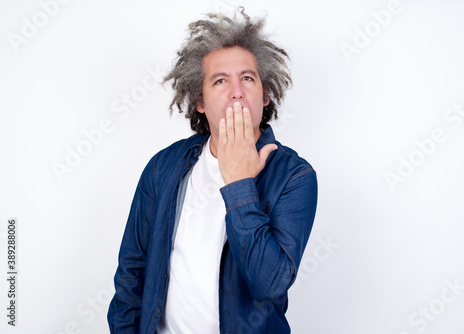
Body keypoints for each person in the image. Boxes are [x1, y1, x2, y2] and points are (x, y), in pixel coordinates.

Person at [108, 7, 318, 334]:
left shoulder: (294, 176)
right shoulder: (163, 167)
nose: (236, 90)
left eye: (248, 78)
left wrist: (239, 183)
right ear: (200, 101)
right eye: (220, 80)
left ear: (265, 95)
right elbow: (132, 273)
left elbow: (270, 283)